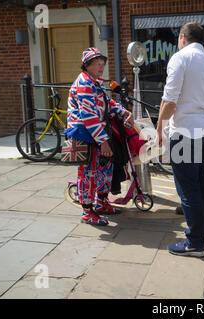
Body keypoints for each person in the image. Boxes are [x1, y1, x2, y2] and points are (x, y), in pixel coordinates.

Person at [156, 22, 204, 257]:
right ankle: (202, 233)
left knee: (188, 189)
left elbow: (170, 100)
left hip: (185, 133)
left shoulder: (180, 58)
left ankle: (195, 243)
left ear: (182, 38)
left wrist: (160, 128)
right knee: (201, 183)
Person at [66, 47, 134, 226]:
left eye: (102, 64)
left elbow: (108, 102)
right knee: (89, 173)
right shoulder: (84, 83)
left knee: (105, 170)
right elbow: (89, 116)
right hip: (85, 135)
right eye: (97, 64)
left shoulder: (95, 82)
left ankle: (102, 202)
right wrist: (103, 142)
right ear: (87, 65)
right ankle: (87, 211)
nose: (101, 67)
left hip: (98, 134)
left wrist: (123, 111)